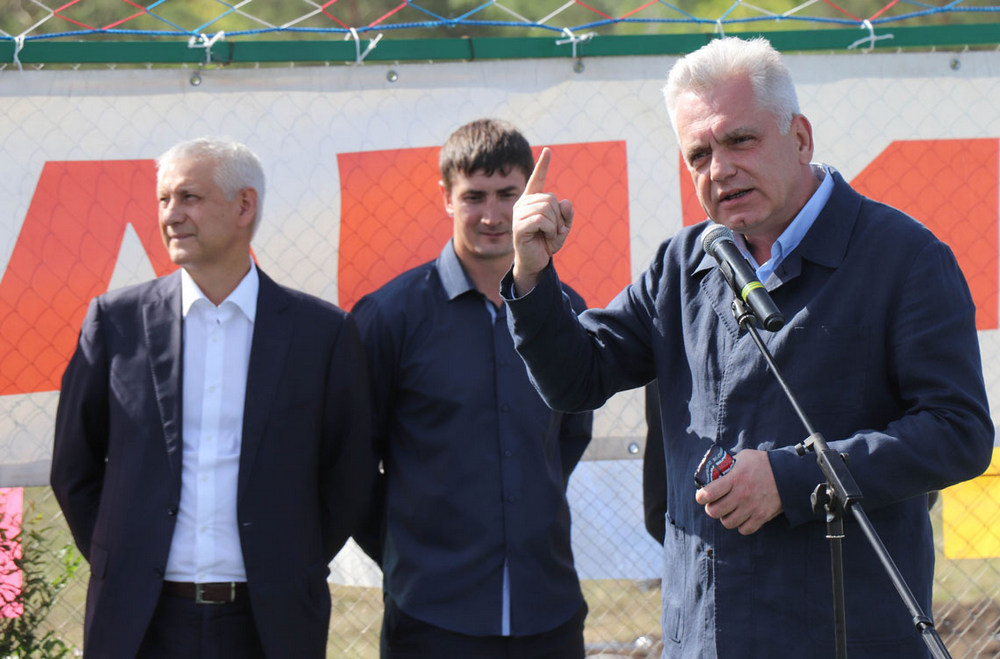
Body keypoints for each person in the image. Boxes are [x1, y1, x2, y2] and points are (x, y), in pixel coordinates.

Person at [503, 37, 993, 658]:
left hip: (844, 639)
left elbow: (958, 433)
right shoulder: (682, 264)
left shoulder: (904, 258)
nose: (720, 170)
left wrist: (794, 478)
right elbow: (576, 379)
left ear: (801, 138)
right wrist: (532, 277)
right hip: (704, 638)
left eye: (740, 140)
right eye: (698, 154)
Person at [51, 137, 374, 658]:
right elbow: (73, 468)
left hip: (270, 625)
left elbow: (350, 474)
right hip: (138, 622)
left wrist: (293, 564)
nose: (171, 215)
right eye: (163, 200)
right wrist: (122, 562)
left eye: (189, 197)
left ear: (244, 206)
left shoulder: (322, 333)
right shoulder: (115, 323)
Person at [352, 118, 592, 658]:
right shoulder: (388, 317)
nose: (492, 215)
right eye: (473, 197)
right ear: (446, 197)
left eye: (508, 194)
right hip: (429, 616)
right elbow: (353, 463)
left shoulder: (568, 312)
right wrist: (408, 554)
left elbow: (568, 437)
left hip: (548, 610)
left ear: (530, 195)